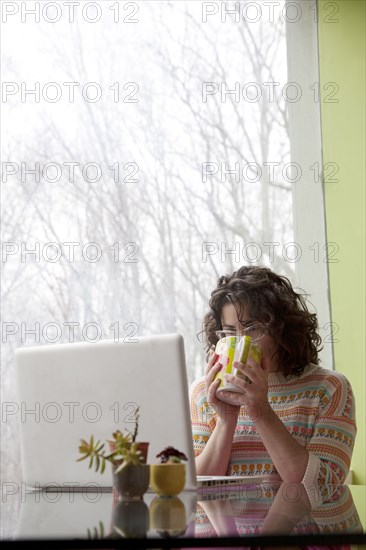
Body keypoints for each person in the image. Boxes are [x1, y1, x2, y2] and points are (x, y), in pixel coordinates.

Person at [190, 266, 356, 505]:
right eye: (228, 332)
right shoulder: (204, 392)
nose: (240, 342)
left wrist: (261, 411)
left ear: (282, 329)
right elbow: (196, 493)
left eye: (253, 328)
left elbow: (323, 486)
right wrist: (225, 421)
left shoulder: (329, 388)